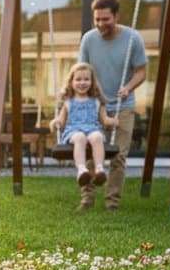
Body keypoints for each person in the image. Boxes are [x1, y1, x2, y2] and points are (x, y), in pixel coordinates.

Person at [76, 0, 148, 212]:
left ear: (116, 16)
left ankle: (112, 203)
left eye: (105, 19)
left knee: (118, 156)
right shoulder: (89, 39)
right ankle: (87, 199)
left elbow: (141, 72)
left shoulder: (132, 39)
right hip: (95, 106)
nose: (100, 24)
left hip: (122, 107)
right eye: (97, 19)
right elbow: (81, 71)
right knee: (90, 155)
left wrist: (128, 87)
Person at [49, 61, 119, 191]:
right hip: (73, 131)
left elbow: (104, 120)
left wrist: (111, 121)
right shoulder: (68, 102)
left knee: (97, 136)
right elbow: (61, 121)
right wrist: (55, 122)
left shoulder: (97, 101)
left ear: (92, 82)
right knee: (80, 137)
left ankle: (99, 170)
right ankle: (81, 170)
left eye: (86, 79)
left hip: (93, 129)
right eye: (78, 79)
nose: (82, 83)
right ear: (71, 82)